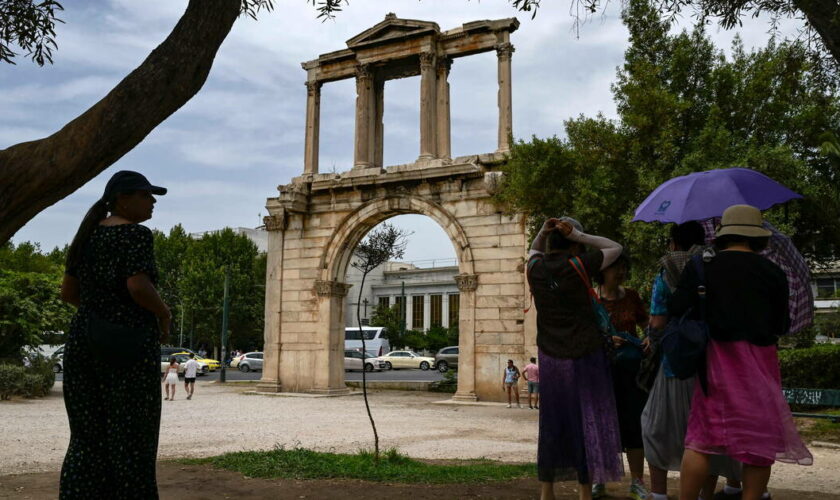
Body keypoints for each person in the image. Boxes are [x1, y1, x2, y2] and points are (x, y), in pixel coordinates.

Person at [671, 205, 812, 500]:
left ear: (723, 235)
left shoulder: (702, 267)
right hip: (759, 366)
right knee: (759, 445)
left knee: (700, 440)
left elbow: (677, 307)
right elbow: (781, 324)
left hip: (715, 365)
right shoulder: (773, 272)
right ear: (757, 237)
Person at [59, 170, 170, 498]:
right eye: (146, 195)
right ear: (123, 198)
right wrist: (164, 313)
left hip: (83, 339)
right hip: (129, 345)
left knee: (86, 438)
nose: (152, 202)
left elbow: (68, 293)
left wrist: (99, 310)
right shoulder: (135, 234)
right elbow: (138, 286)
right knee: (132, 438)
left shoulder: (86, 236)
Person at [641, 221, 740, 500]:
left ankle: (659, 493)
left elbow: (658, 320)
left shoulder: (666, 273)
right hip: (714, 365)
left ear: (674, 243)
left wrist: (652, 338)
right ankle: (704, 494)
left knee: (655, 427)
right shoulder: (718, 268)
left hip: (677, 363)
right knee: (707, 435)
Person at [527, 217, 624, 500]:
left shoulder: (534, 268)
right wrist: (581, 235)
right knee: (587, 421)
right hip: (585, 353)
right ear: (573, 245)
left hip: (551, 355)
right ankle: (584, 491)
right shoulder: (578, 265)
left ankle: (547, 490)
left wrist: (543, 233)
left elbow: (534, 251)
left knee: (553, 422)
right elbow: (614, 248)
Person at [590, 253, 650, 500]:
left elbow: (647, 323)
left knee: (634, 425)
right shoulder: (592, 299)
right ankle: (599, 480)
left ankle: (637, 482)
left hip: (631, 371)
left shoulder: (633, 296)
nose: (621, 272)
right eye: (616, 267)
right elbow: (584, 332)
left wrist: (648, 337)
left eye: (624, 267)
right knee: (603, 424)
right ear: (603, 270)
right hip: (602, 371)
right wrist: (605, 340)